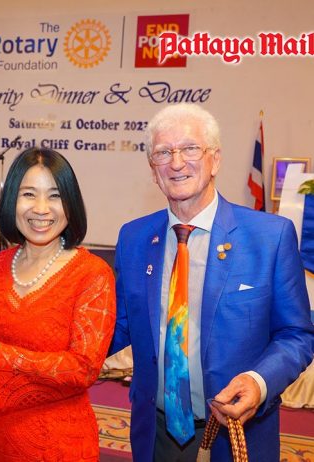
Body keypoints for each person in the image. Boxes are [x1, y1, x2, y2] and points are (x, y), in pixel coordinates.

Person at [110, 103, 314, 461]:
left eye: (190, 149)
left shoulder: (270, 237)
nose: (176, 163)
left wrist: (259, 382)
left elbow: (297, 334)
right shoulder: (134, 238)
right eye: (163, 153)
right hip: (155, 434)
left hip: (237, 435)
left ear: (215, 159)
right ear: (153, 169)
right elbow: (119, 325)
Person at [0, 147, 116, 461]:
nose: (41, 209)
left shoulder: (92, 274)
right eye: (28, 194)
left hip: (59, 445)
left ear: (70, 203)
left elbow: (83, 369)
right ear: (11, 201)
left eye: (55, 196)